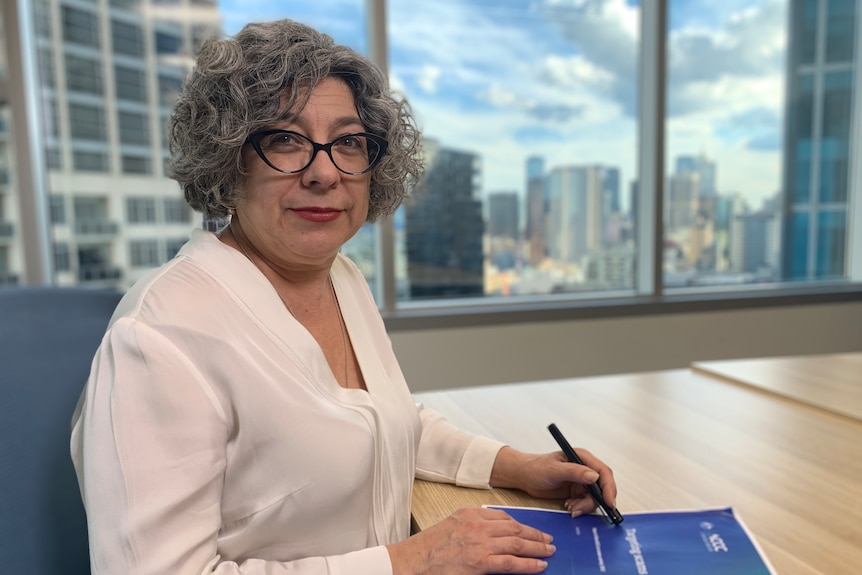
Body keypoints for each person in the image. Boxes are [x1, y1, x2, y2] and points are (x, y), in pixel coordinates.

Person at [70, 18, 617, 575]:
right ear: (228, 157)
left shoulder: (341, 277)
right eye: (284, 138)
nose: (325, 172)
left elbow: (385, 420)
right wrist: (412, 560)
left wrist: (517, 466)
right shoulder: (159, 338)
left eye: (349, 143)